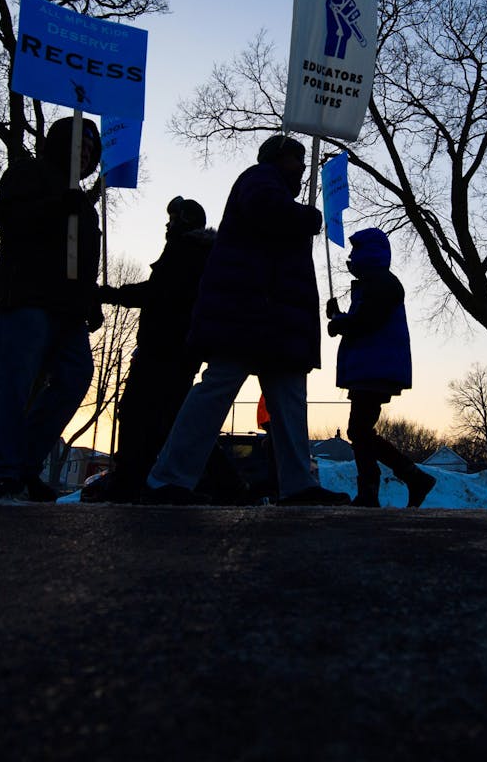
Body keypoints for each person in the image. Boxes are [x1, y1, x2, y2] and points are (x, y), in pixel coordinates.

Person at [142, 134, 348, 506]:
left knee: (286, 401)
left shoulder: (272, 188)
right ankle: (167, 478)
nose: (303, 166)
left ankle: (297, 484)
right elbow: (265, 211)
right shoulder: (260, 178)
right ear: (277, 157)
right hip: (251, 315)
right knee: (219, 392)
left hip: (269, 318)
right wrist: (308, 217)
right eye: (296, 158)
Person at [0, 117, 104, 502]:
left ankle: (25, 463)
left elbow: (84, 263)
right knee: (12, 382)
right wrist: (54, 207)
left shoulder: (84, 204)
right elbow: (9, 222)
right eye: (80, 147)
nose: (85, 157)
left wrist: (90, 300)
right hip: (26, 295)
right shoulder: (28, 174)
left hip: (68, 309)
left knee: (75, 375)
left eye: (91, 153)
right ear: (60, 144)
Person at [83, 196, 217, 503]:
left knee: (141, 413)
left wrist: (112, 294)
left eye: (172, 218)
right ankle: (141, 477)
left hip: (165, 348)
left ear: (184, 221)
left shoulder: (186, 251)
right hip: (174, 348)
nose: (167, 224)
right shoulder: (195, 252)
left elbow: (158, 293)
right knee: (163, 416)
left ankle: (131, 478)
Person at [326, 227, 434, 508]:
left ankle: (384, 486)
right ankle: (400, 480)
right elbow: (364, 319)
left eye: (355, 251)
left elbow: (367, 321)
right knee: (360, 430)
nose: (351, 257)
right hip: (371, 368)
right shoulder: (375, 283)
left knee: (359, 430)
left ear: (368, 253)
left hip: (374, 368)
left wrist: (342, 322)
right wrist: (340, 317)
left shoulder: (380, 282)